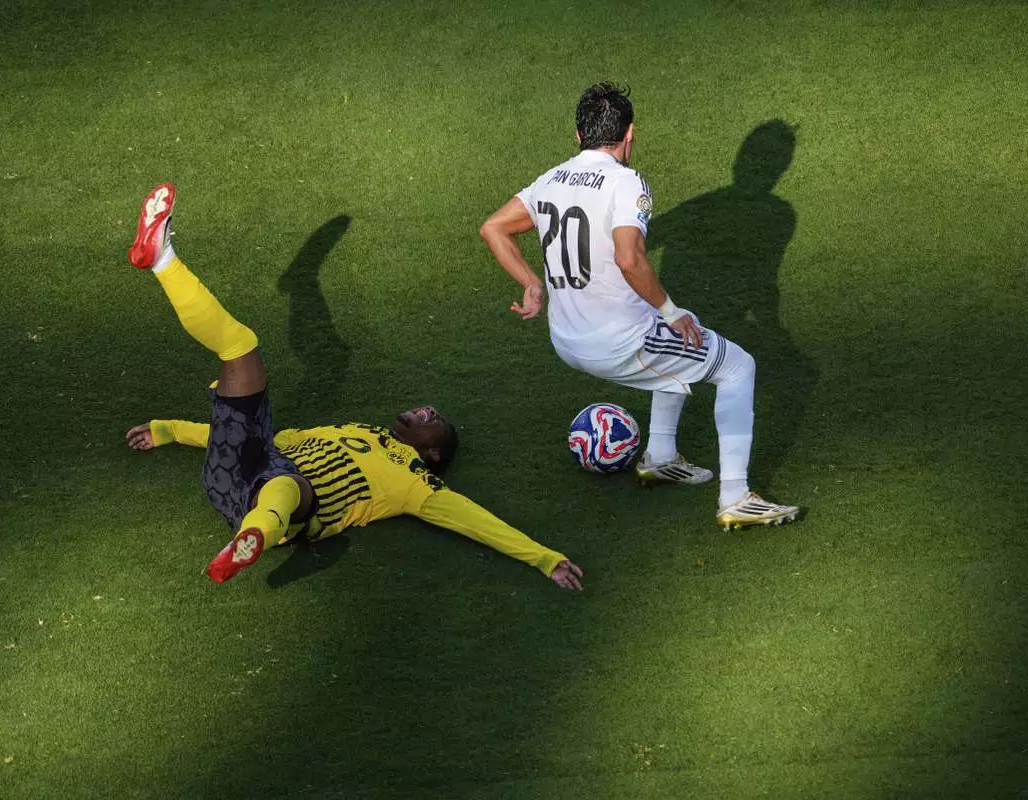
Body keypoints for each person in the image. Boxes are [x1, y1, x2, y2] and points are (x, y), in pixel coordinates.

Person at [125, 183, 585, 589]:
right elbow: (263, 439)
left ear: (434, 453)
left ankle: (254, 538)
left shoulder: (413, 482)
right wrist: (169, 431)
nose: (427, 410)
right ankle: (163, 257)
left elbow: (477, 521)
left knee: (285, 487)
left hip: (278, 509)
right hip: (230, 469)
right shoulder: (354, 432)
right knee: (240, 349)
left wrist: (544, 558)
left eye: (435, 421)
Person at [479, 83, 799, 530]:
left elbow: (494, 227)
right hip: (617, 343)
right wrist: (672, 311)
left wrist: (532, 283)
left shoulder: (549, 180)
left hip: (565, 337)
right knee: (737, 367)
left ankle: (661, 457)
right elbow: (630, 258)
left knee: (681, 340)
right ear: (629, 134)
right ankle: (735, 497)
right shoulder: (627, 183)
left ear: (578, 136)